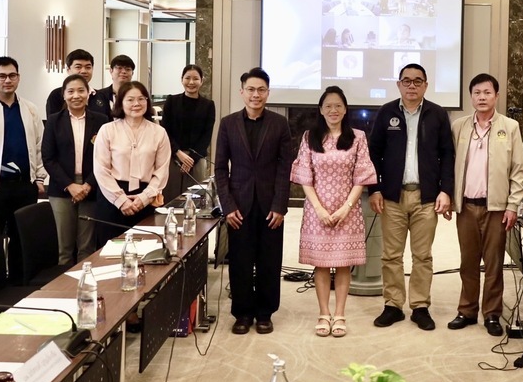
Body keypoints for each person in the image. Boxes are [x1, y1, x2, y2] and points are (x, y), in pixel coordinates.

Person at [368, 63, 454, 331]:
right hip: (392, 197)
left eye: (418, 81)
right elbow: (373, 153)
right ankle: (393, 305)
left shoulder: (437, 114)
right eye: (406, 81)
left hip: (426, 197)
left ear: (426, 85)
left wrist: (446, 190)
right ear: (399, 85)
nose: (412, 86)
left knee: (422, 256)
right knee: (391, 255)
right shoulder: (386, 113)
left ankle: (420, 306)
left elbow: (447, 155)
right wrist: (374, 189)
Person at [290, 86, 377, 338]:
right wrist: (319, 209)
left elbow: (362, 175)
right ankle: (323, 313)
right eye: (328, 106)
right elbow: (304, 176)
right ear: (320, 110)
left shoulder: (358, 137)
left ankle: (339, 314)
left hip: (347, 210)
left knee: (342, 264)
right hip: (316, 210)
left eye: (338, 105)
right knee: (320, 264)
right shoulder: (310, 137)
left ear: (345, 109)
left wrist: (346, 208)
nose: (333, 110)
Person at [214, 67, 293, 336]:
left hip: (271, 205)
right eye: (251, 89)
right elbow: (220, 168)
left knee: (269, 260)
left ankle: (265, 313)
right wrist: (228, 206)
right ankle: (243, 313)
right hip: (239, 205)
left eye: (261, 90)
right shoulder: (228, 123)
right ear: (242, 92)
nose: (255, 94)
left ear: (268, 93)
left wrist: (280, 205)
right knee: (240, 261)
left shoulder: (279, 124)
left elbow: (285, 167)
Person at [447, 74, 523, 337]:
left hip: (496, 208)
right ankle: (467, 311)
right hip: (467, 206)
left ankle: (491, 313)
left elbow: (518, 170)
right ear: (471, 96)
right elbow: (449, 166)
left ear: (497, 96)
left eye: (487, 92)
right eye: (477, 93)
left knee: (494, 263)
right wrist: (449, 197)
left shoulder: (510, 127)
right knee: (467, 262)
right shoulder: (459, 126)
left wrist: (513, 205)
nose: (482, 97)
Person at [0, 57, 46, 282]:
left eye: (12, 75)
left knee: (22, 239)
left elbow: (39, 146)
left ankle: (19, 286)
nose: (7, 80)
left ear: (18, 78)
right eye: (1, 76)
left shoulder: (30, 109)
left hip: (24, 186)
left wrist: (39, 177)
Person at [42, 74, 109, 264]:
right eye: (70, 91)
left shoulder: (102, 120)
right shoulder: (54, 121)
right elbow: (48, 158)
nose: (76, 95)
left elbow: (105, 158)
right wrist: (70, 185)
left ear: (88, 93)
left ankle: (85, 281)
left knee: (87, 247)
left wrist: (88, 185)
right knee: (64, 249)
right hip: (62, 188)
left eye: (81, 90)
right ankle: (64, 283)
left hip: (92, 187)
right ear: (63, 95)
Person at [93, 81, 170, 245]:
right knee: (110, 252)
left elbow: (162, 171)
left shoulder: (159, 132)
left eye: (141, 99)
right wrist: (121, 200)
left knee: (146, 249)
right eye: (130, 99)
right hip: (112, 198)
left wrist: (144, 198)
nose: (136, 104)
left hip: (145, 198)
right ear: (120, 102)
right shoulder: (107, 130)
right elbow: (101, 170)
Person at [161, 64, 216, 201]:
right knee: (171, 198)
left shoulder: (208, 105)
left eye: (195, 79)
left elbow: (206, 136)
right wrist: (178, 152)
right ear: (182, 79)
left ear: (202, 81)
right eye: (187, 78)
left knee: (195, 199)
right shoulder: (171, 101)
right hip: (173, 157)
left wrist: (191, 159)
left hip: (196, 159)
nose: (191, 82)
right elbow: (165, 131)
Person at [45, 49, 108, 117]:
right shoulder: (56, 95)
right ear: (68, 70)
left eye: (88, 67)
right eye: (78, 67)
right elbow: (53, 122)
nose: (84, 71)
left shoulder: (101, 96)